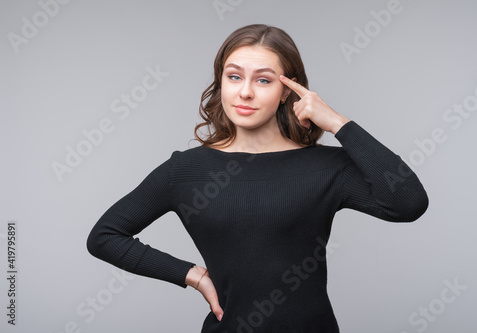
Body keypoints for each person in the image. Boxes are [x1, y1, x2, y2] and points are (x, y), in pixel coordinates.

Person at [87, 24, 429, 332]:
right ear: (221, 80)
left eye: (263, 80)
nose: (245, 92)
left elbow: (409, 203)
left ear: (286, 91)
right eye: (234, 76)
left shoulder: (327, 166)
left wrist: (338, 123)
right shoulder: (186, 171)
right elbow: (105, 236)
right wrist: (193, 276)